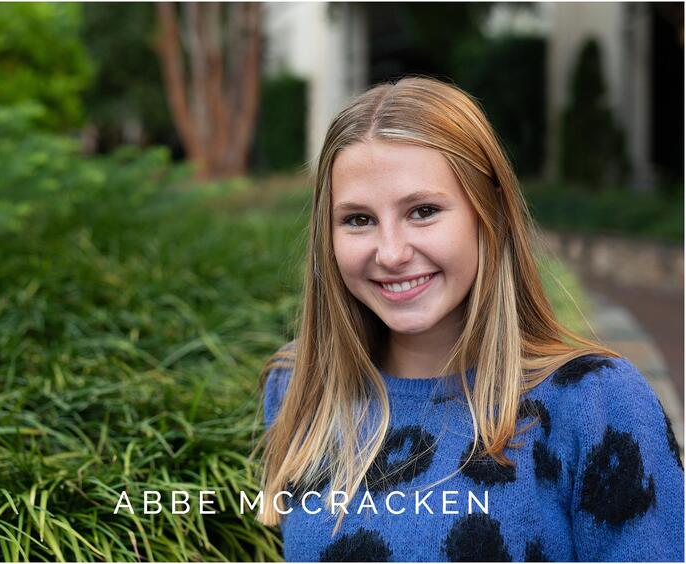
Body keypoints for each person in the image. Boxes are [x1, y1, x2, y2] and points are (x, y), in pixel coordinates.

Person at [251, 77, 684, 562]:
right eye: (358, 219)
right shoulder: (299, 389)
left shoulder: (595, 400)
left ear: (489, 214)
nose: (391, 253)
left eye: (423, 211)